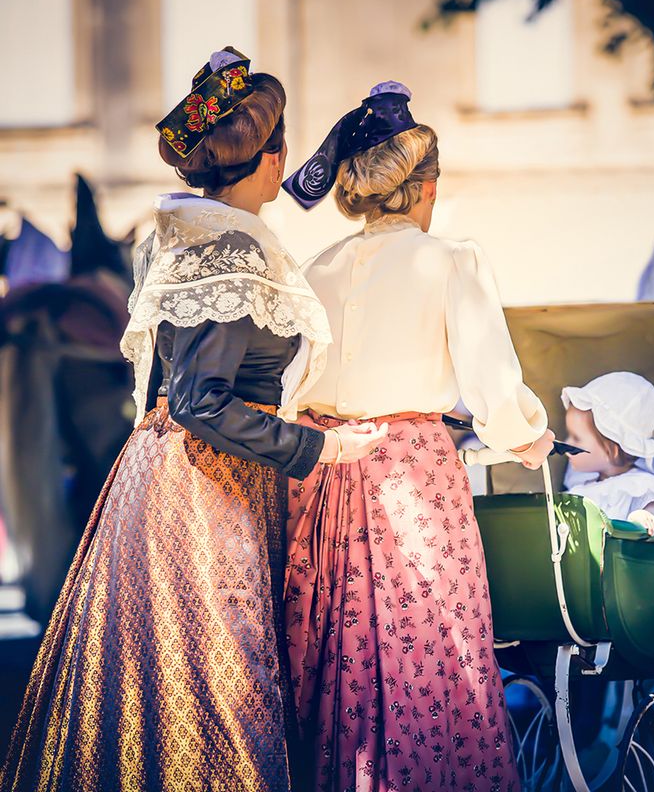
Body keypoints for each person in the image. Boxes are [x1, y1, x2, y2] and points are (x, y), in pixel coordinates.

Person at [0, 48, 384, 792]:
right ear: (269, 159)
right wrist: (320, 448)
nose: (286, 162)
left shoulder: (175, 238)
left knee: (172, 682)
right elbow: (202, 401)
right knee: (216, 689)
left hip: (173, 479)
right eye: (282, 146)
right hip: (207, 495)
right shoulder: (229, 247)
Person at [281, 81, 554, 791]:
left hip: (318, 480)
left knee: (332, 652)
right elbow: (495, 391)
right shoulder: (450, 260)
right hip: (410, 478)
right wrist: (530, 437)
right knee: (430, 645)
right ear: (425, 189)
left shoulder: (315, 271)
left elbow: (289, 392)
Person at [562, 371, 654, 534]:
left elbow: (653, 526)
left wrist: (643, 517)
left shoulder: (641, 486)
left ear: (613, 449)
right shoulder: (581, 489)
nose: (567, 444)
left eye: (576, 438)